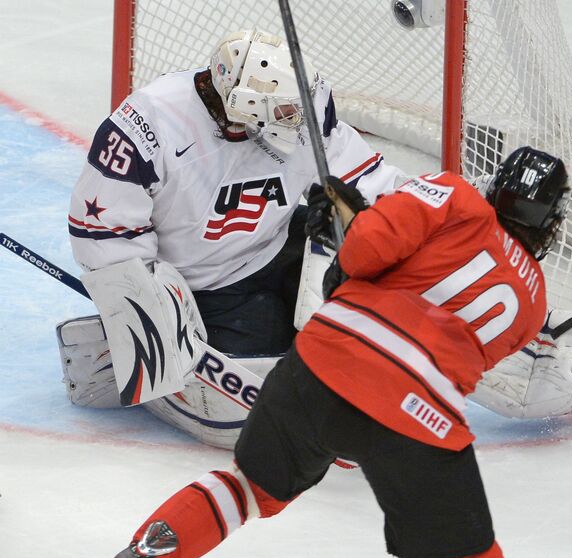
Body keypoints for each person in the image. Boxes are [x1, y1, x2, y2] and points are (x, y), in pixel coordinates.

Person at [77, 147, 572, 558]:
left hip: (323, 363)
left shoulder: (455, 193)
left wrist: (352, 228)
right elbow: (446, 339)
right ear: (548, 219)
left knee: (251, 488)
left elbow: (364, 261)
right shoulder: (532, 305)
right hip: (416, 412)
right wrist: (356, 239)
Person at [66, 28, 403, 359]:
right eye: (286, 113)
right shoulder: (148, 123)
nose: (298, 121)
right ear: (246, 106)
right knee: (271, 364)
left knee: (369, 292)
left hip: (278, 241)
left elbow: (359, 177)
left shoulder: (302, 107)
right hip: (205, 284)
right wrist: (147, 309)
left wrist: (413, 216)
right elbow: (104, 232)